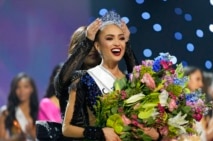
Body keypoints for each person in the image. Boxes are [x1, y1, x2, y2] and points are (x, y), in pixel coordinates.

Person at [36, 12, 138, 140]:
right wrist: (87, 40)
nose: (91, 50)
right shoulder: (74, 78)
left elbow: (138, 81)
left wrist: (125, 43)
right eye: (86, 45)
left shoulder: (115, 77)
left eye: (94, 44)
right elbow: (63, 80)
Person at [62, 11, 161, 141]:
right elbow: (67, 129)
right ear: (97, 46)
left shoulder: (131, 81)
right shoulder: (84, 79)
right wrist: (100, 133)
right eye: (109, 38)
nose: (117, 43)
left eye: (121, 38)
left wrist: (156, 135)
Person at [0, 72, 39, 141]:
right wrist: (17, 137)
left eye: (26, 87)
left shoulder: (39, 112)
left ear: (32, 89)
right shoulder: (6, 112)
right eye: (18, 87)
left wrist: (32, 134)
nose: (22, 91)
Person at [179, 66, 206, 141]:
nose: (201, 84)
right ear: (187, 79)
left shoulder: (199, 105)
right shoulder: (176, 104)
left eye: (201, 80)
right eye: (198, 79)